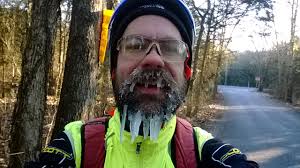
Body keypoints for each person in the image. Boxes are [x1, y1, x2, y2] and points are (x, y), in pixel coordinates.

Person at [26, 0, 259, 167]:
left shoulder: (204, 152)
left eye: (170, 48)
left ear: (186, 71)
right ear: (114, 69)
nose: (154, 59)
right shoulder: (76, 146)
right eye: (136, 44)